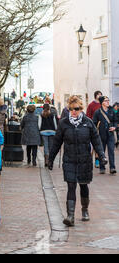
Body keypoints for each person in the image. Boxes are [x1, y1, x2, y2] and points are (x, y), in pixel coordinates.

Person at [48, 95, 107, 227]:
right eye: (71, 109)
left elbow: (96, 140)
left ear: (81, 109)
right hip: (69, 160)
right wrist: (51, 159)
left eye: (76, 109)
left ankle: (85, 210)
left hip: (84, 160)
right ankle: (70, 215)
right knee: (71, 186)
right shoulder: (64, 123)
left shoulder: (88, 122)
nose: (73, 111)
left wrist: (102, 155)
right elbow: (57, 142)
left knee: (83, 185)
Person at [92, 96, 117, 175]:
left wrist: (114, 127)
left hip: (110, 135)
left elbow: (115, 121)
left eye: (108, 100)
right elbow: (94, 124)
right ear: (102, 102)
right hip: (101, 135)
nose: (108, 102)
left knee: (111, 152)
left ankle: (112, 168)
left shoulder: (112, 111)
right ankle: (102, 168)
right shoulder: (98, 112)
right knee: (101, 152)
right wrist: (94, 133)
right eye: (106, 101)